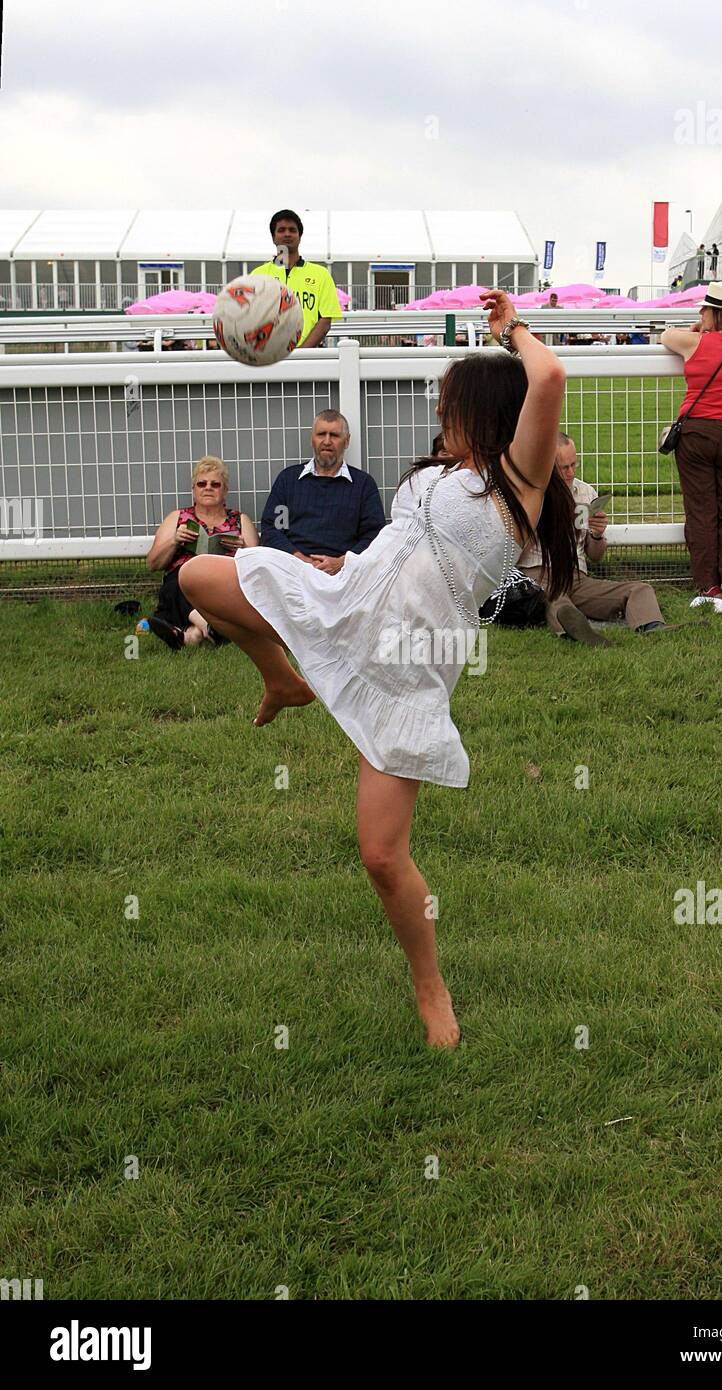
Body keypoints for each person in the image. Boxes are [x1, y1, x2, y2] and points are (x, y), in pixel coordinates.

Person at [177, 288, 579, 1049]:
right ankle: (282, 679)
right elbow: (398, 548)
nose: (439, 416)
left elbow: (549, 377)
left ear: (486, 410)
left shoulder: (516, 483)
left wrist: (510, 329)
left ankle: (431, 989)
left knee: (380, 856)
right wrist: (340, 562)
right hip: (345, 603)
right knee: (199, 578)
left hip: (407, 667)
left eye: (449, 405)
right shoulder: (435, 474)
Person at [660, 281, 722, 597]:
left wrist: (701, 329)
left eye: (705, 309)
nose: (701, 313)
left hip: (697, 433)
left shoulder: (694, 343)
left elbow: (665, 336)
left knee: (701, 509)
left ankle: (708, 584)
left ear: (715, 313)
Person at [519, 434, 673, 640]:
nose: (571, 472)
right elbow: (515, 552)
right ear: (546, 464)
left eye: (574, 464)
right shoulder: (529, 493)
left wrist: (597, 534)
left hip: (577, 577)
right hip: (539, 572)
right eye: (563, 467)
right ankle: (572, 630)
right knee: (556, 597)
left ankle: (651, 626)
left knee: (640, 588)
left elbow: (595, 556)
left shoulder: (585, 493)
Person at [146, 457, 259, 649]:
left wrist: (244, 549)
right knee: (178, 581)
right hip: (183, 579)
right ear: (194, 490)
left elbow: (258, 568)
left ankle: (190, 635)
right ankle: (209, 628)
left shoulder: (240, 520)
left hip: (223, 580)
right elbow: (153, 563)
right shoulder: (177, 518)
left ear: (224, 491)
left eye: (215, 484)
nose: (208, 488)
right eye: (202, 483)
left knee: (188, 590)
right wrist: (175, 540)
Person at [259, 411, 385, 572]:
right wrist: (300, 560)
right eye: (321, 434)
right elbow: (273, 529)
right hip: (292, 571)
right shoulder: (288, 480)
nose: (327, 441)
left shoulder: (363, 485)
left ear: (346, 441)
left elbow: (374, 535)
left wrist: (342, 563)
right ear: (312, 439)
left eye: (334, 435)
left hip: (344, 575)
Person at [251, 209, 342, 348]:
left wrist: (301, 354)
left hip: (307, 358)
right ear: (273, 237)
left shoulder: (321, 275)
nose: (287, 234)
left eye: (292, 230)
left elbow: (325, 321)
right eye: (281, 230)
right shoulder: (258, 275)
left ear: (299, 236)